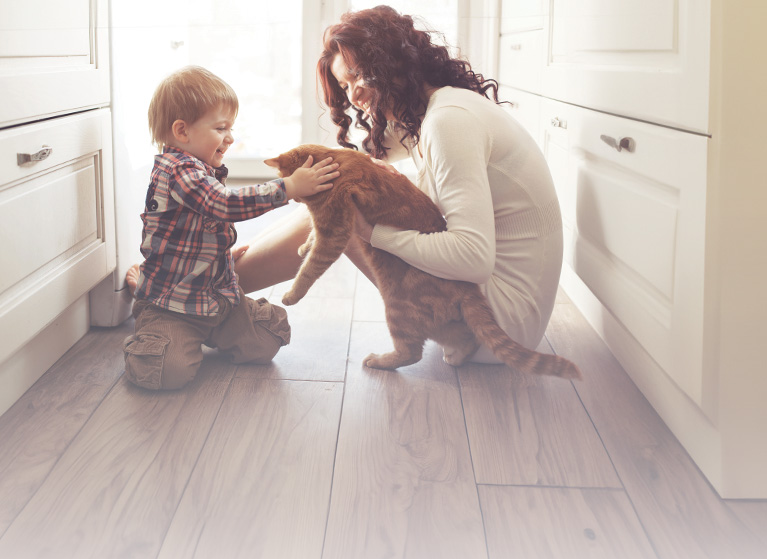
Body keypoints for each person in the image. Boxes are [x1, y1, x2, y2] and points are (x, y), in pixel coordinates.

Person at [237, 5, 564, 363]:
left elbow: (474, 260)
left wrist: (373, 233)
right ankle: (217, 274)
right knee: (334, 189)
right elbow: (339, 165)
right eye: (345, 86)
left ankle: (201, 291)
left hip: (496, 323)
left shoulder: (448, 123)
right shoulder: (433, 109)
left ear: (392, 63)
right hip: (495, 308)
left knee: (337, 209)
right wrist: (249, 244)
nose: (354, 97)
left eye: (359, 76)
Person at [123, 65, 339, 391]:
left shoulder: (200, 167)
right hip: (172, 306)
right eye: (221, 127)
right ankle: (149, 321)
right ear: (182, 131)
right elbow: (224, 204)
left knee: (269, 339)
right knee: (166, 371)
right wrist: (288, 187)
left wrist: (219, 257)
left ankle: (204, 332)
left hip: (216, 300)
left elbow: (202, 227)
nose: (230, 137)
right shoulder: (178, 170)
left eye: (231, 127)